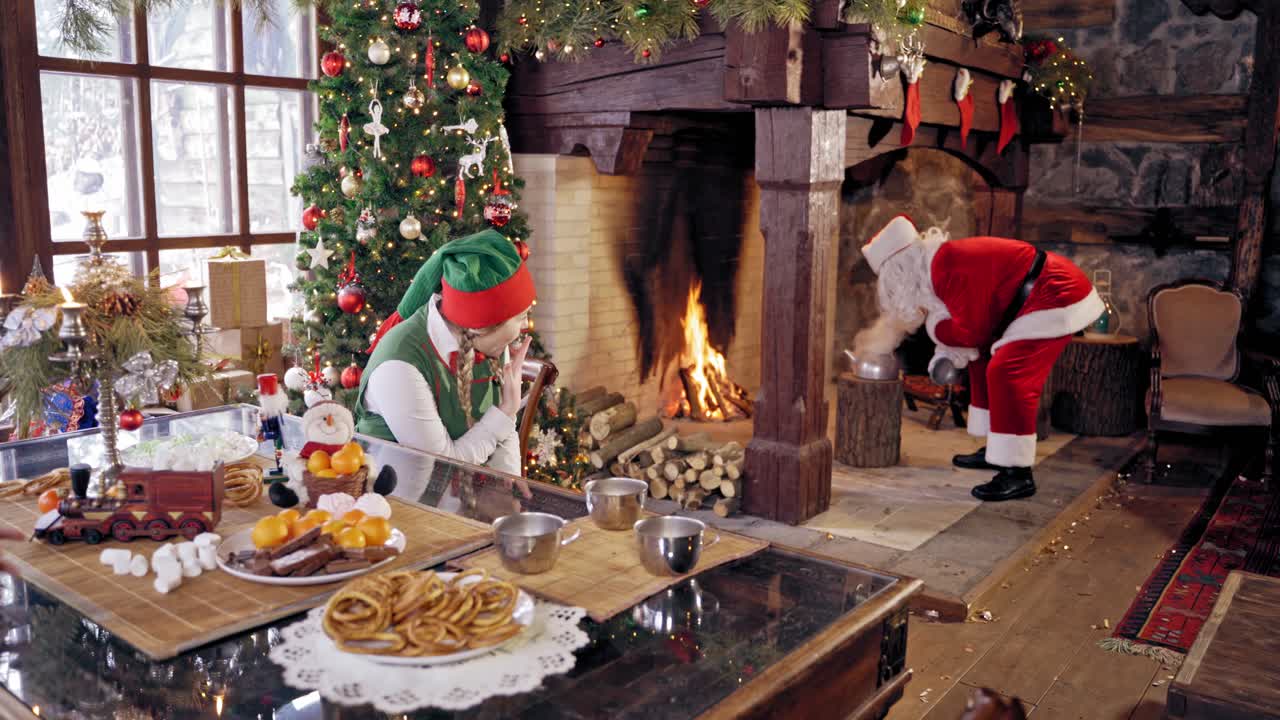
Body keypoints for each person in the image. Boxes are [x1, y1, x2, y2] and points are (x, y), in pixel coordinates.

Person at [861, 215, 1103, 501]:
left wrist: (936, 330)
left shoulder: (943, 269)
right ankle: (996, 450)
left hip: (1054, 293)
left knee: (1007, 372)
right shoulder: (933, 266)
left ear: (900, 269)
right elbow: (970, 325)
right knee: (982, 362)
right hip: (1028, 297)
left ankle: (1017, 473)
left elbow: (971, 333)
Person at [355, 230, 535, 476]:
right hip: (395, 503)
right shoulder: (399, 366)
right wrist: (506, 411)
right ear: (479, 327)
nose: (525, 326)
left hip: (458, 503)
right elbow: (441, 466)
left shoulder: (489, 346)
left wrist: (510, 490)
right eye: (521, 317)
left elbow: (503, 433)